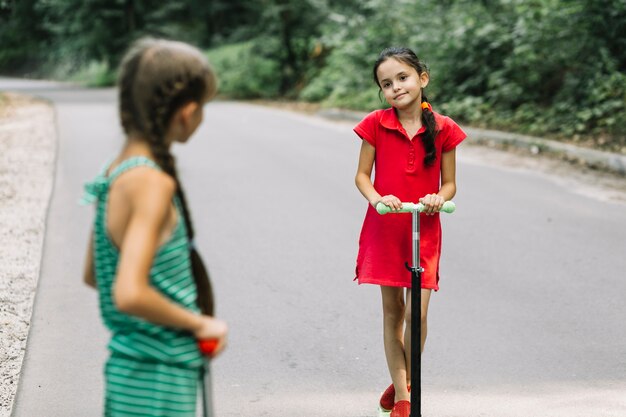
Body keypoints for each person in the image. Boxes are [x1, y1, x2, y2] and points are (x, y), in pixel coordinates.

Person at [80, 38, 228, 417]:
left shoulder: (115, 172)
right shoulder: (151, 183)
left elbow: (95, 274)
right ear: (187, 112)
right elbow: (128, 293)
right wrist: (200, 323)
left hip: (128, 371)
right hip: (161, 373)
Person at [354, 47, 466, 417]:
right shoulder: (376, 123)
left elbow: (449, 184)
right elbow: (361, 176)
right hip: (386, 226)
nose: (395, 88)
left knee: (417, 315)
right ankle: (404, 397)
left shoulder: (444, 127)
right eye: (386, 84)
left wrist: (438, 196)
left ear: (422, 78)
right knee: (392, 312)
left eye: (402, 78)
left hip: (424, 226)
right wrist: (377, 198)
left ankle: (402, 378)